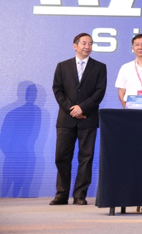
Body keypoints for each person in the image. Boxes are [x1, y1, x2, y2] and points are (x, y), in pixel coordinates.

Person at [50, 33, 107, 206]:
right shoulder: (62, 66)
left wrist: (82, 108)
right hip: (66, 119)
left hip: (88, 118)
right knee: (62, 157)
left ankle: (80, 195)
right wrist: (72, 109)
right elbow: (57, 90)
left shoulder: (100, 67)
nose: (87, 46)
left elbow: (100, 92)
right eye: (84, 43)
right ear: (75, 46)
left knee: (86, 158)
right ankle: (61, 194)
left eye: (90, 43)